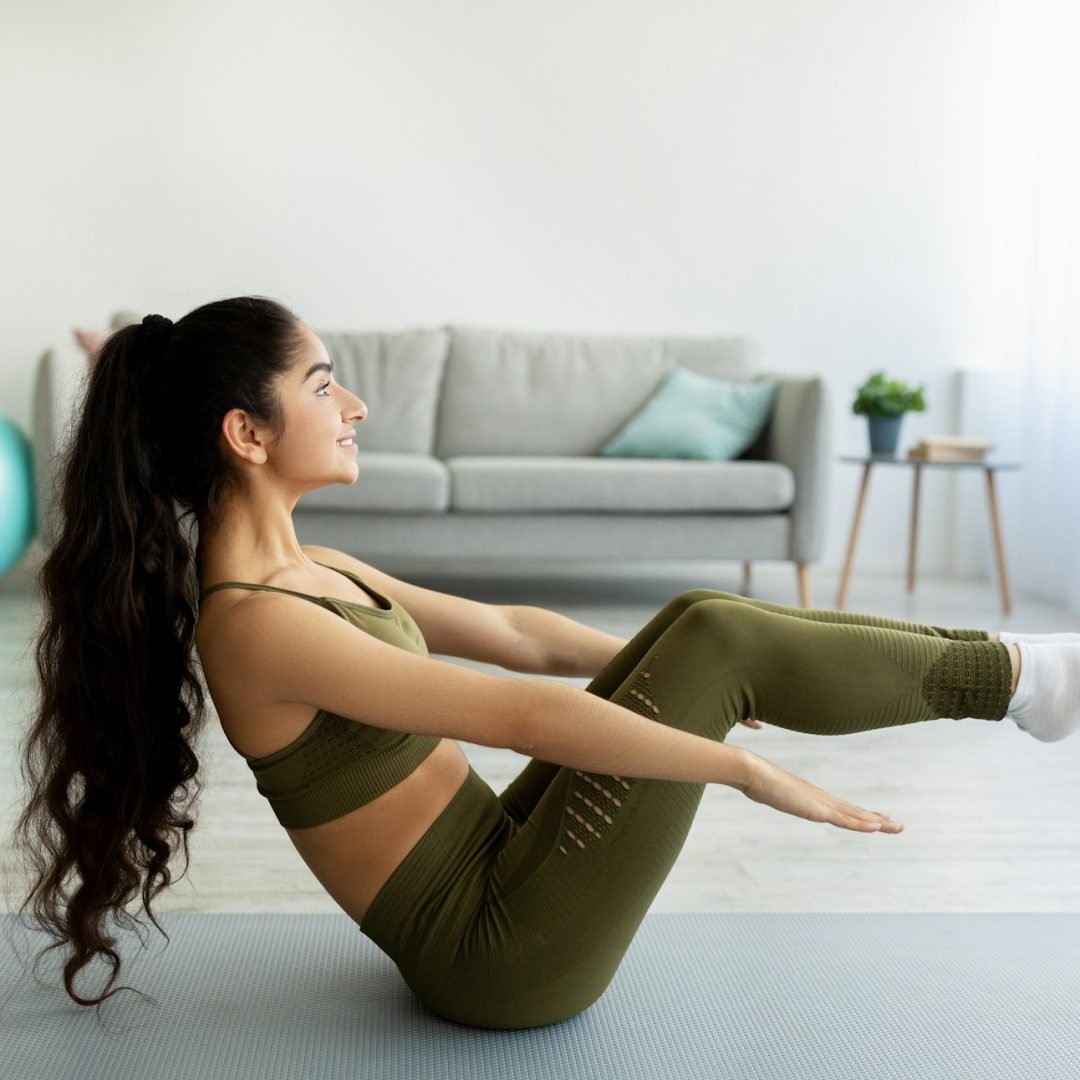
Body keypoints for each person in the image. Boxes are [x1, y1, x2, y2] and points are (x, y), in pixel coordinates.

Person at [10, 296, 1078, 1030]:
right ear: (247, 433)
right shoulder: (251, 622)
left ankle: (1026, 677)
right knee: (714, 638)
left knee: (699, 616)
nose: (355, 406)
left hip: (509, 864)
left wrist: (672, 669)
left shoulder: (313, 566)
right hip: (496, 955)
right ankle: (1028, 682)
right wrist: (739, 766)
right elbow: (512, 713)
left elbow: (519, 633)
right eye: (323, 382)